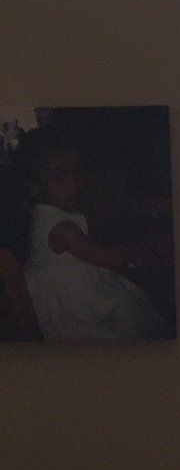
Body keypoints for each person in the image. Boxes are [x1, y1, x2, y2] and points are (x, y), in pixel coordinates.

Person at [14, 128, 164, 341]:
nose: (72, 183)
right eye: (60, 177)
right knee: (129, 319)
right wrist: (138, 250)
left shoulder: (47, 211)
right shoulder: (61, 229)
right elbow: (109, 258)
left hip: (73, 280)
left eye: (76, 172)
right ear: (33, 187)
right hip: (70, 304)